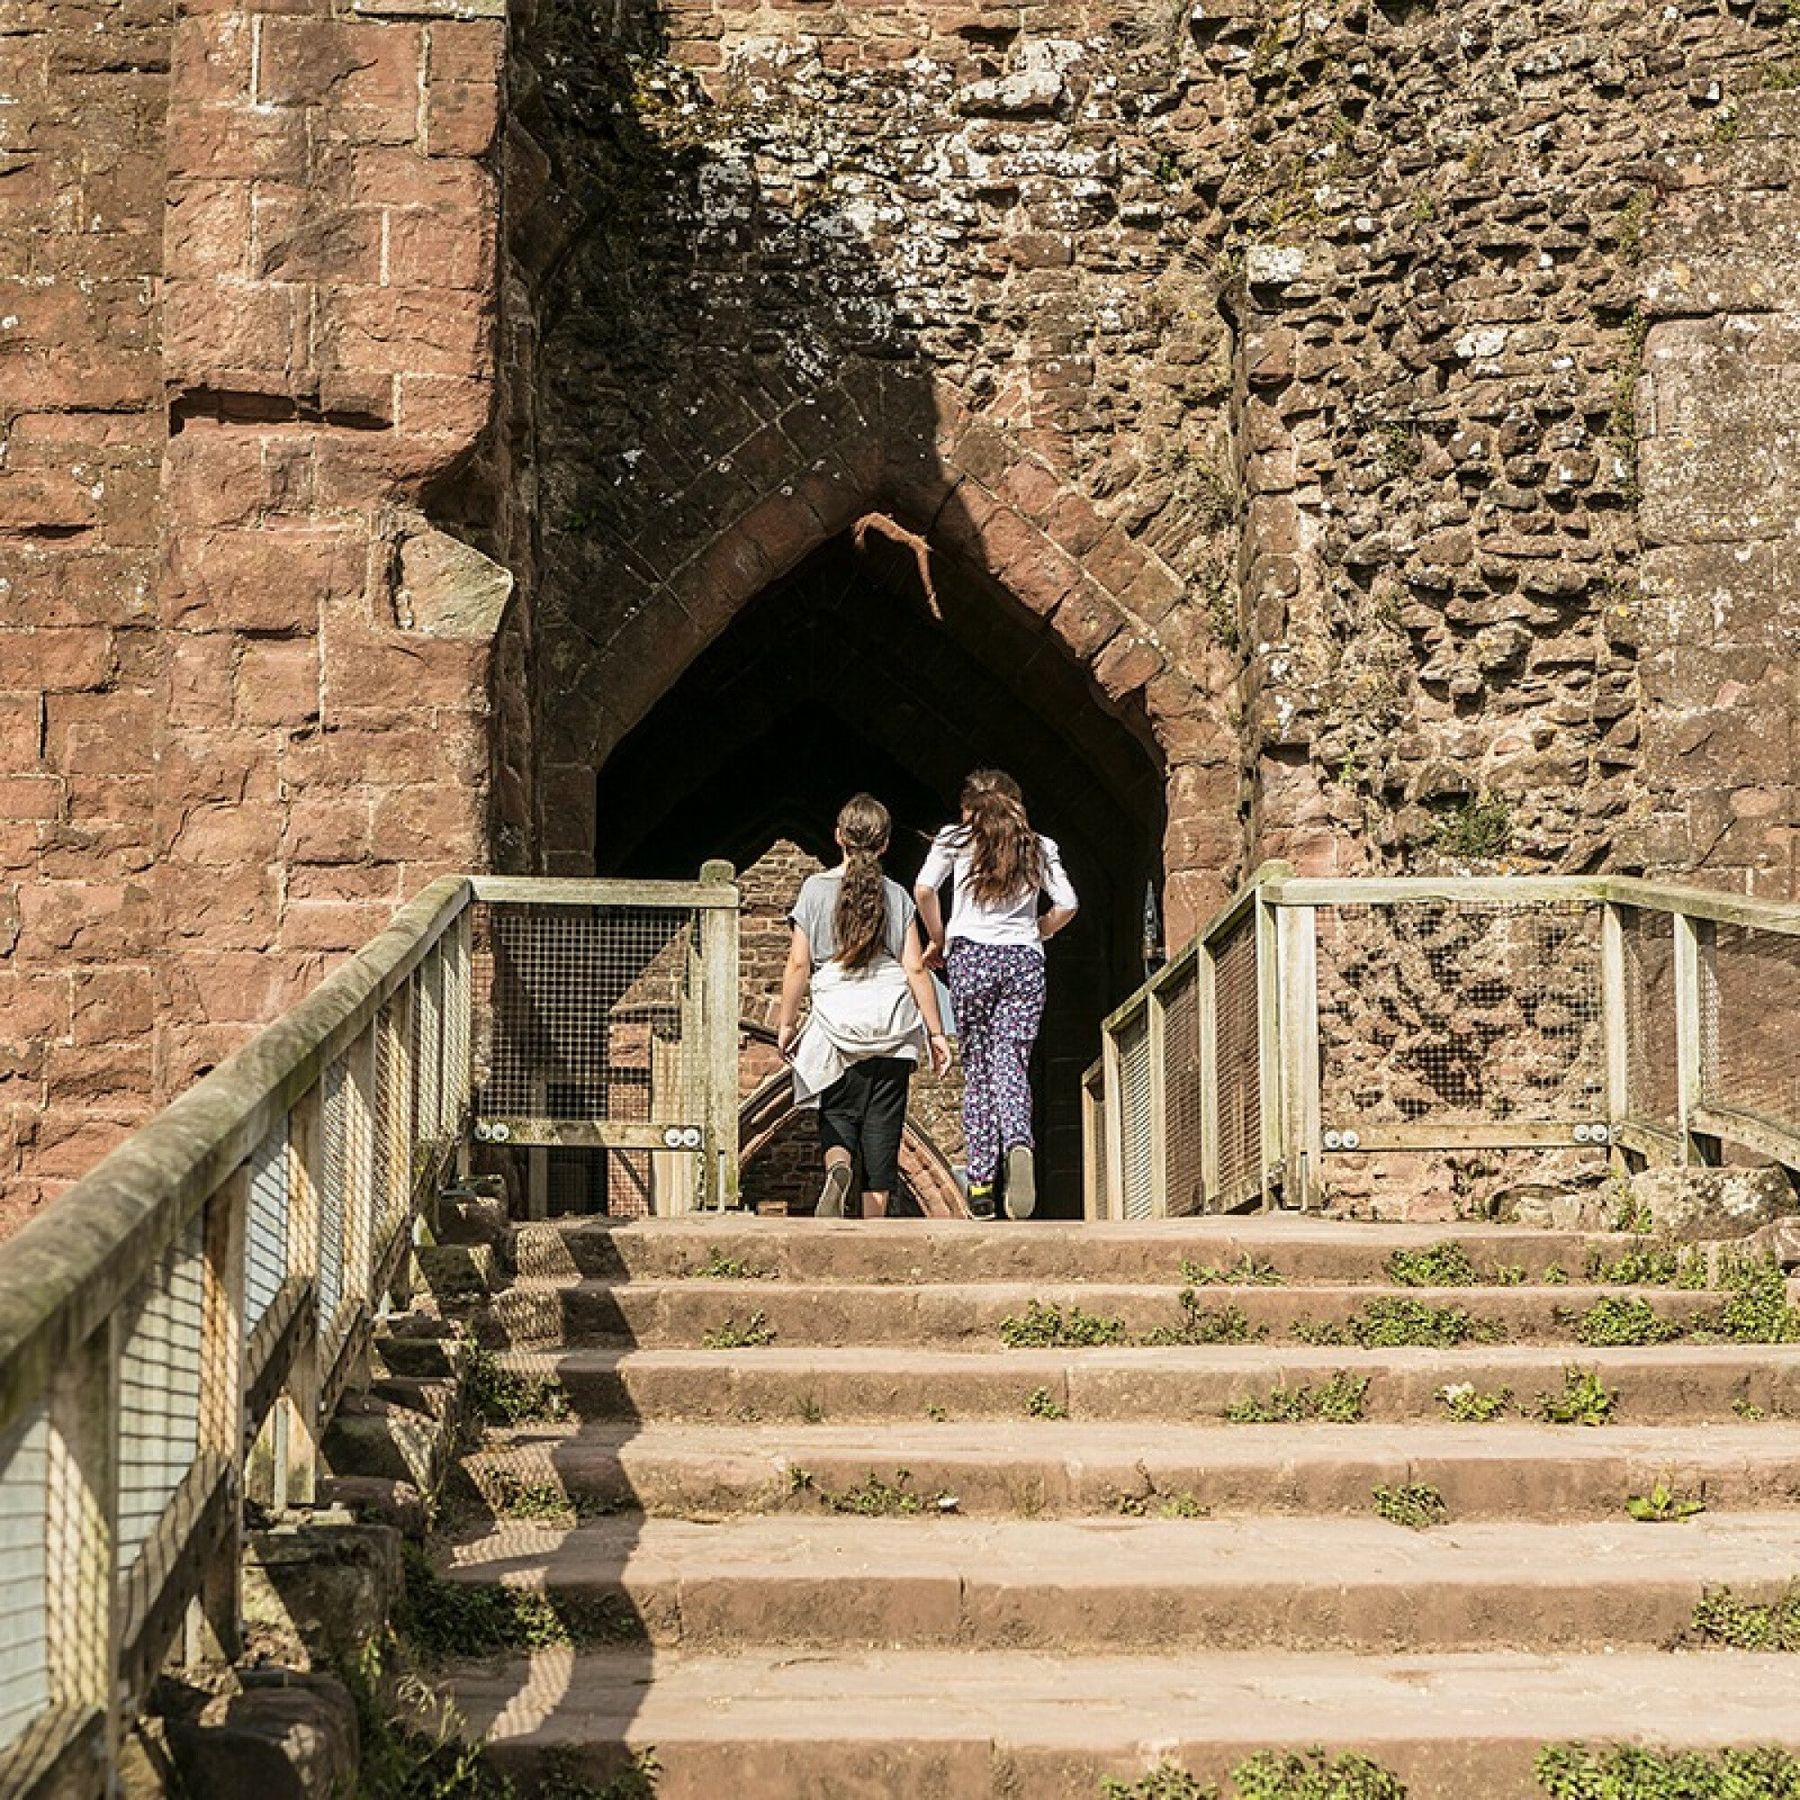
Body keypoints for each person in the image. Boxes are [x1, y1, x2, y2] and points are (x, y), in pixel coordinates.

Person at [776, 795, 953, 1219]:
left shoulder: (815, 891)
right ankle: (875, 1229)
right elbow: (915, 967)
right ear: (887, 844)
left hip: (838, 1024)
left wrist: (786, 1023)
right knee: (883, 1129)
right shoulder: (896, 896)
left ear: (838, 837)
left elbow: (799, 962)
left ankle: (838, 1168)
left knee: (836, 1111)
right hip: (890, 1025)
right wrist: (935, 1032)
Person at [914, 770, 1078, 1220]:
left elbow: (925, 889)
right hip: (1024, 960)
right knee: (1012, 1061)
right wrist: (1037, 930)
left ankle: (982, 1183)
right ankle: (1019, 1144)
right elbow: (1068, 903)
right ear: (1016, 803)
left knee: (980, 1068)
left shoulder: (955, 840)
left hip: (970, 956)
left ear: (969, 808)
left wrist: (939, 936)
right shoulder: (1038, 846)